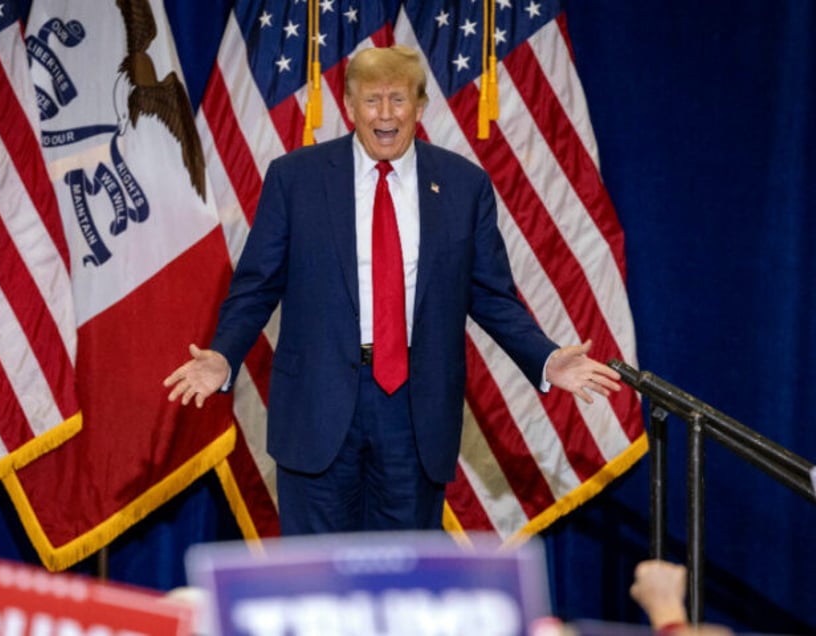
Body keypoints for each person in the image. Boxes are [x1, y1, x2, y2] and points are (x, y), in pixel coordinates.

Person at [164, 45, 622, 535]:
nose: (386, 114)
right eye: (372, 100)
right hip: (317, 404)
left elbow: (491, 296)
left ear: (420, 107)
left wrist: (546, 359)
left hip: (415, 411)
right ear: (348, 106)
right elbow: (256, 285)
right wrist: (224, 354)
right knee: (318, 579)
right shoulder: (295, 178)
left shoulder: (464, 185)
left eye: (398, 100)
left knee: (402, 580)